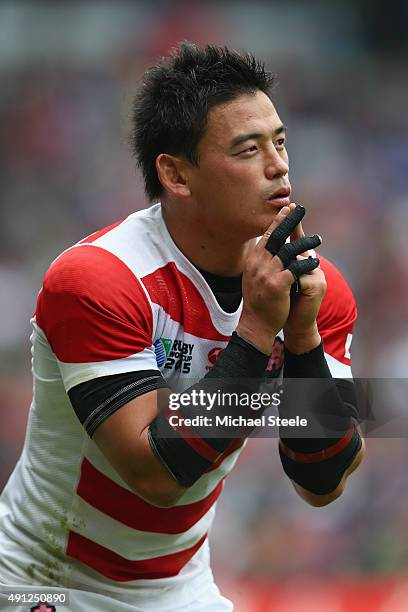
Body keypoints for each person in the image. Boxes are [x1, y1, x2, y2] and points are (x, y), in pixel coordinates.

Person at [0, 42, 364, 611]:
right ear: (176, 174)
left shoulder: (316, 289)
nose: (279, 166)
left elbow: (323, 483)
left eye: (280, 141)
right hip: (46, 578)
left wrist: (302, 338)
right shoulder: (97, 280)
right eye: (248, 150)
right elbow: (158, 476)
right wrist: (254, 330)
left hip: (178, 587)